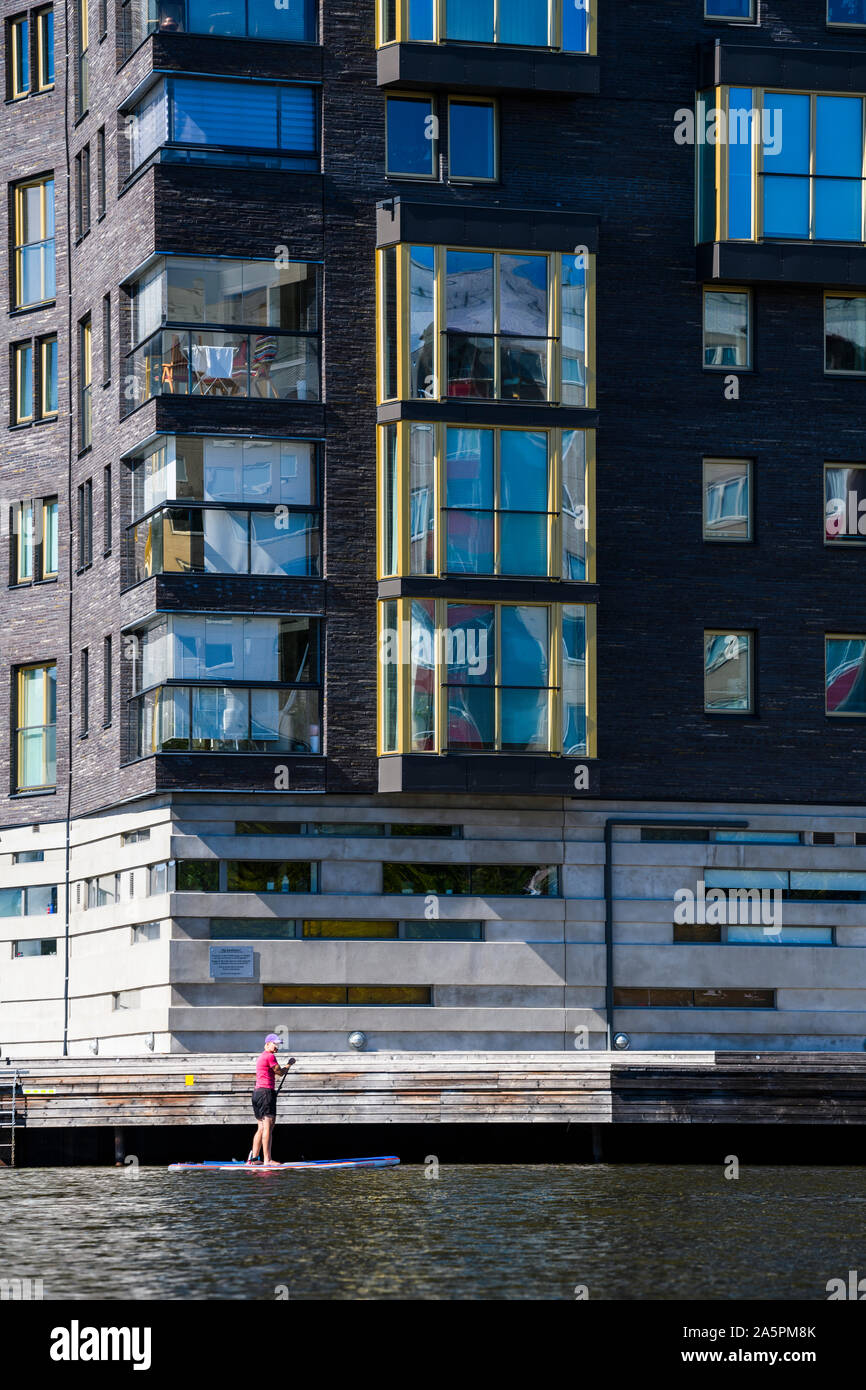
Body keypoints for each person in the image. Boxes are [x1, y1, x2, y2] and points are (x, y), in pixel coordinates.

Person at [249, 1034, 296, 1166]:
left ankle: (254, 1159)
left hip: (257, 1093)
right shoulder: (269, 1056)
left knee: (261, 1127)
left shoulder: (262, 1056)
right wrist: (289, 1064)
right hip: (265, 1093)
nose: (277, 1046)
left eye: (278, 1044)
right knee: (268, 1127)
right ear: (267, 1044)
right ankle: (267, 1160)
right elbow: (280, 1072)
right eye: (274, 1043)